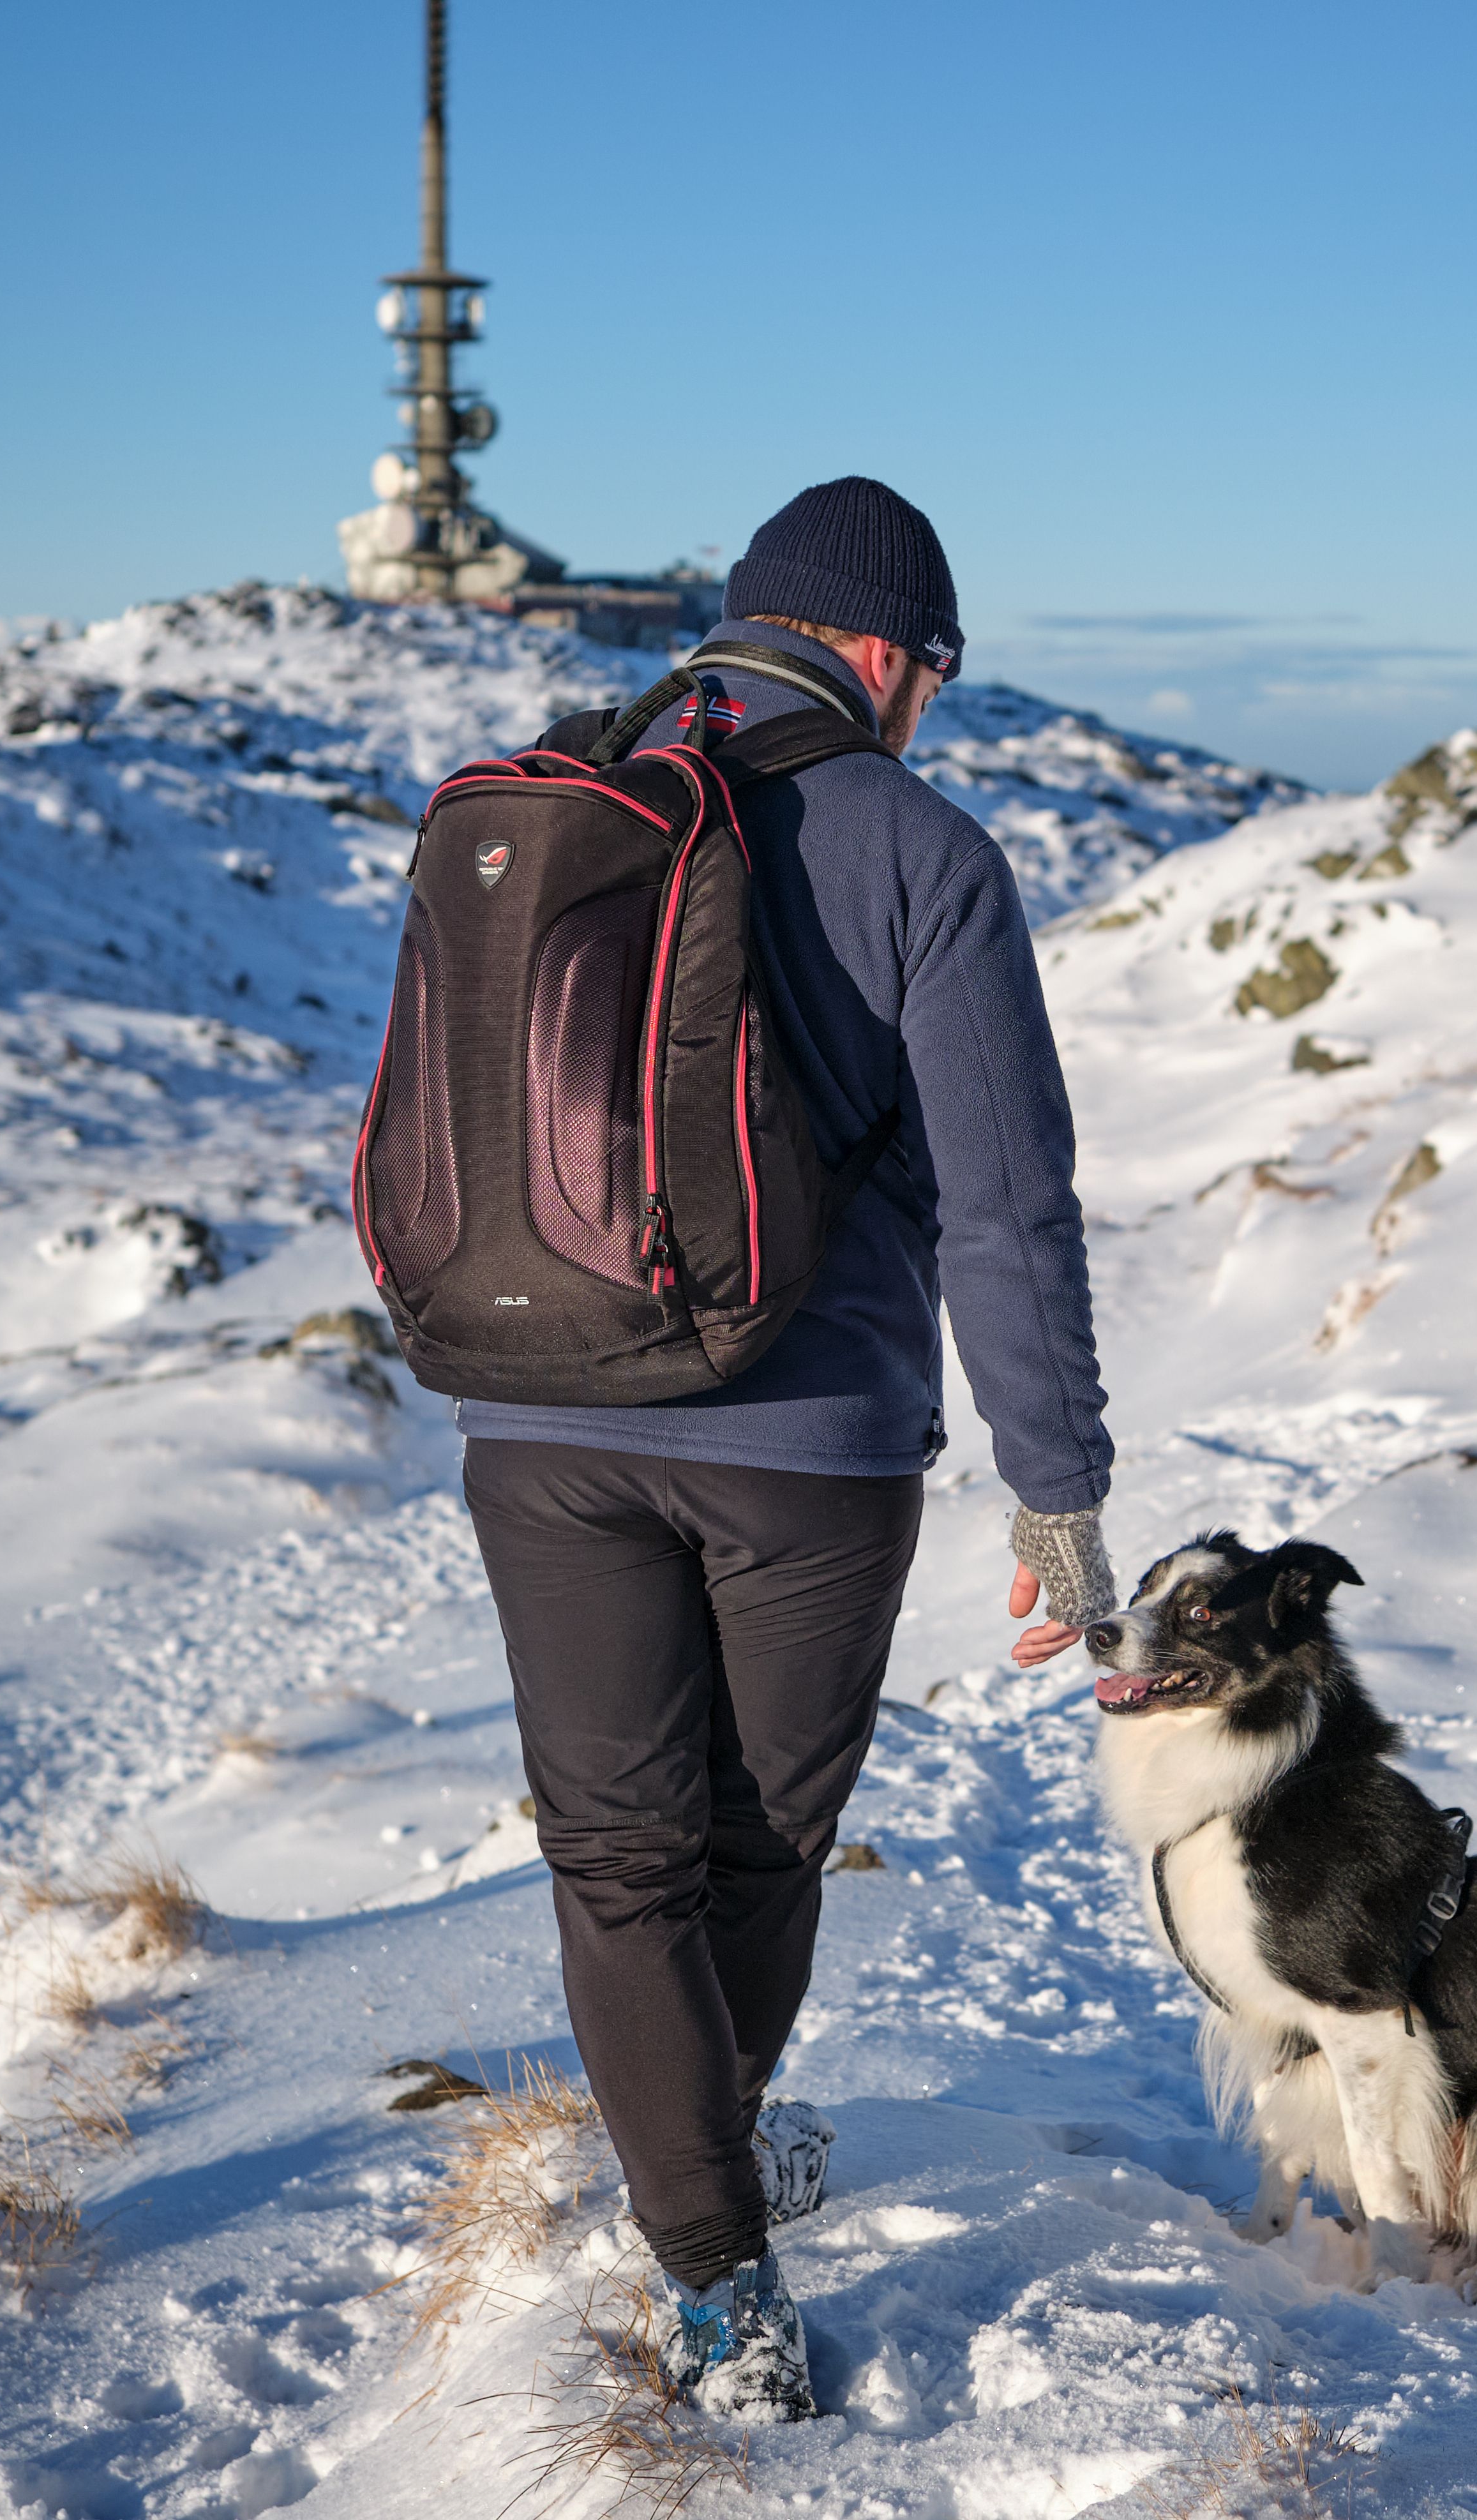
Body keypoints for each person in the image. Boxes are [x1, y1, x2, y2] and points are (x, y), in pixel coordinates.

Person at [447, 477, 1118, 2423]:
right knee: (756, 1841)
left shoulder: (560, 801)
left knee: (616, 1861)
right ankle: (714, 2223)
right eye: (937, 670)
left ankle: (704, 2227)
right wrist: (1055, 1486)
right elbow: (1010, 1207)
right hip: (804, 1444)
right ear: (888, 650)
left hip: (535, 1416)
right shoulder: (920, 844)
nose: (931, 706)